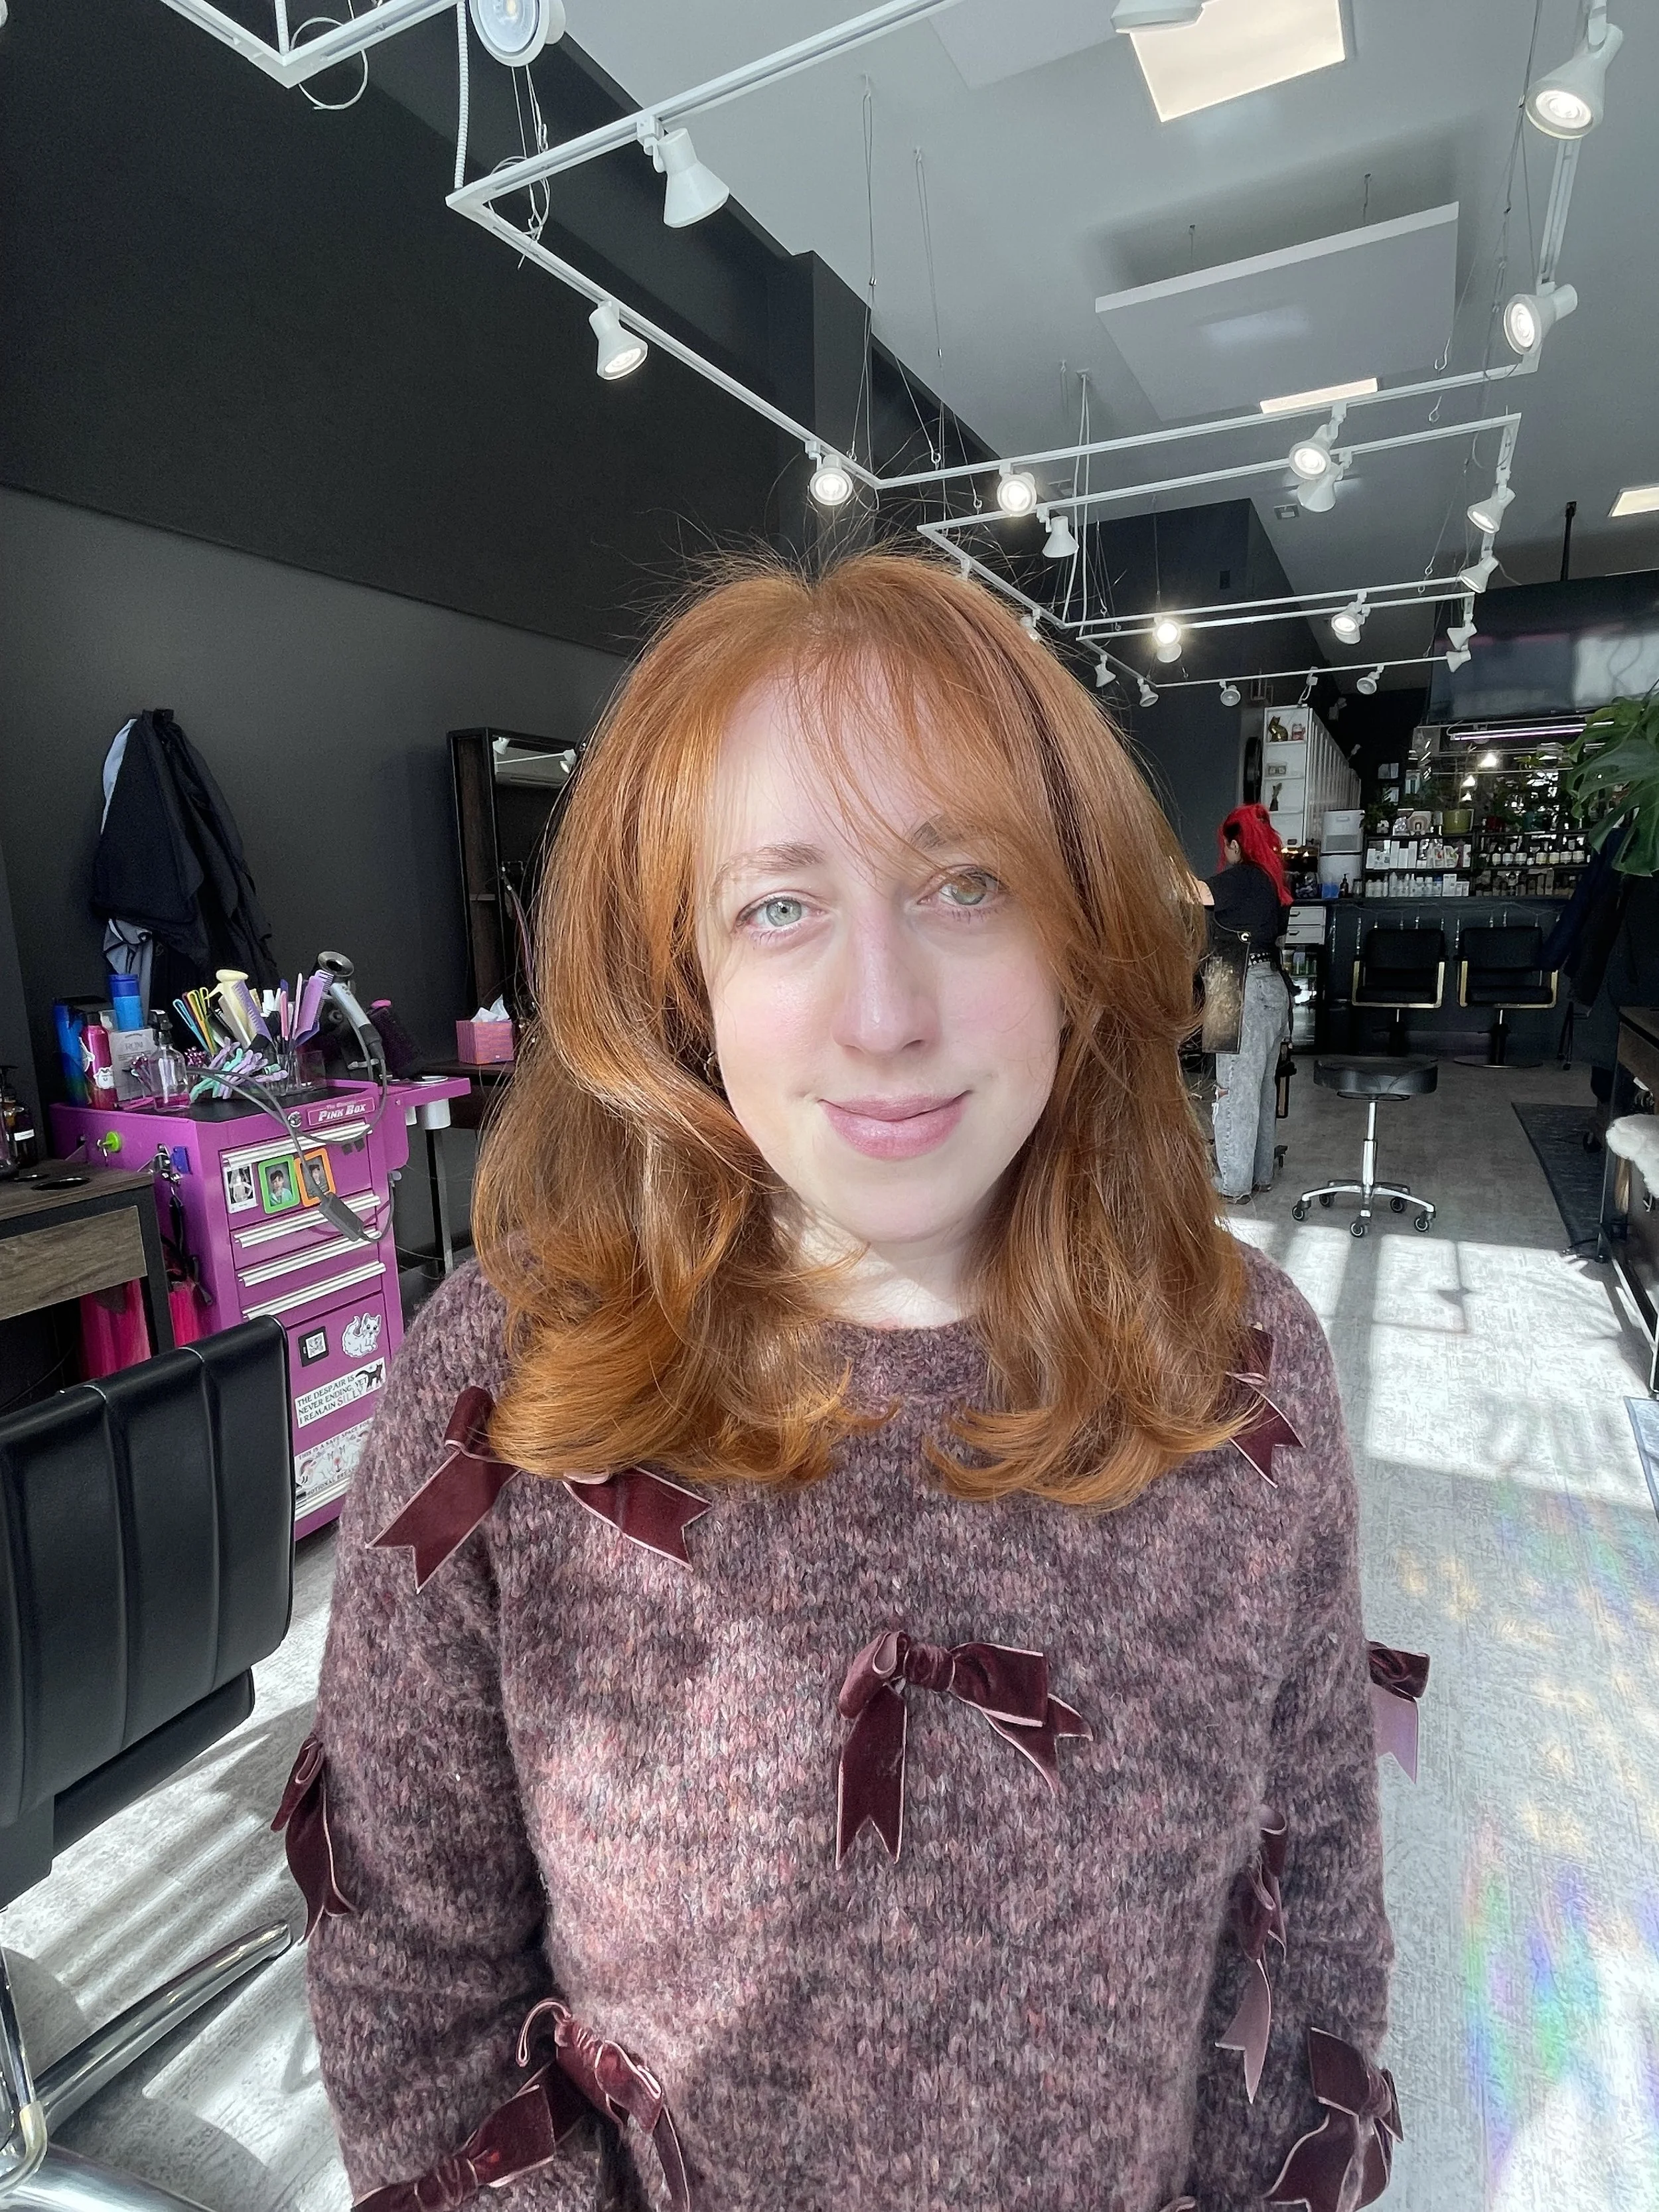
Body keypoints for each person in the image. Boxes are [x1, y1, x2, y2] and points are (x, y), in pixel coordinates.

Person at [288, 553, 1396, 2212]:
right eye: (781, 904)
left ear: (1076, 925)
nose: (883, 1013)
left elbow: (1308, 1944)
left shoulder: (1232, 1366)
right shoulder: (514, 1388)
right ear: (685, 978)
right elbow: (414, 1998)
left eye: (963, 885)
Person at [1202, 803, 1293, 1204]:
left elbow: (1195, 893)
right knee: (1261, 1087)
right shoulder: (1272, 882)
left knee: (1235, 1090)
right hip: (1271, 984)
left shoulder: (1241, 878)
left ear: (1235, 844)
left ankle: (1233, 1184)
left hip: (1240, 986)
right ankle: (1259, 1175)